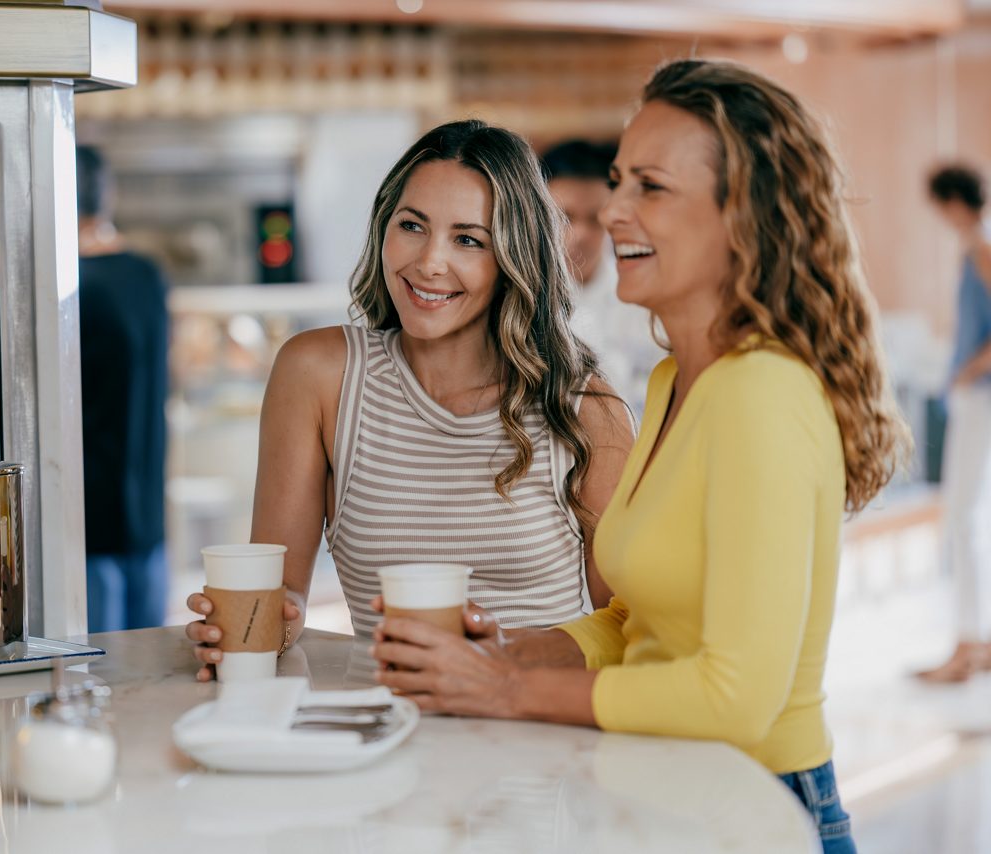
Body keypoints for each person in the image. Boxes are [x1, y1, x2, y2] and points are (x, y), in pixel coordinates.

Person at [371, 60, 912, 854]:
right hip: (674, 799)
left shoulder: (761, 393)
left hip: (757, 808)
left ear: (745, 217)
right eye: (617, 180)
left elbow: (736, 699)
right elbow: (642, 621)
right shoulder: (674, 380)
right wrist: (514, 649)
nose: (610, 210)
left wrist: (511, 689)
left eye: (648, 188)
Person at [185, 120, 635, 678]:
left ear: (516, 258)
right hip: (387, 730)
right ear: (384, 229)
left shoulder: (587, 409)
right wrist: (246, 631)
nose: (428, 263)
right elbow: (282, 599)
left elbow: (629, 623)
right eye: (413, 226)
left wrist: (512, 653)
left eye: (469, 239)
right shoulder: (319, 374)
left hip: (541, 738)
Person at [76, 145, 170, 631]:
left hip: (88, 521)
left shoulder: (72, 286)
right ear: (106, 197)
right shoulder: (146, 274)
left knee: (96, 676)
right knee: (146, 672)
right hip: (148, 518)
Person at [918, 164, 991, 681]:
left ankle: (968, 645)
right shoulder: (976, 245)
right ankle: (973, 641)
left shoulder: (981, 246)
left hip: (981, 397)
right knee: (967, 519)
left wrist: (966, 372)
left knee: (961, 517)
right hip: (974, 395)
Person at [541, 139, 661, 410]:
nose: (579, 235)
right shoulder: (512, 300)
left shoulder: (649, 302)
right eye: (564, 217)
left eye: (595, 218)